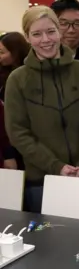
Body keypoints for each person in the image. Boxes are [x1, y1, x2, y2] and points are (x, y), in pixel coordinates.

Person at [4, 6, 79, 213]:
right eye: (36, 34)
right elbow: (18, 133)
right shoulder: (17, 80)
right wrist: (56, 166)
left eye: (51, 31)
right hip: (41, 182)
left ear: (59, 31)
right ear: (27, 37)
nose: (45, 39)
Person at [0, 32, 30, 170]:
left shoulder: (25, 77)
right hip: (7, 143)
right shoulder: (3, 74)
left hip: (24, 143)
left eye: (2, 52)